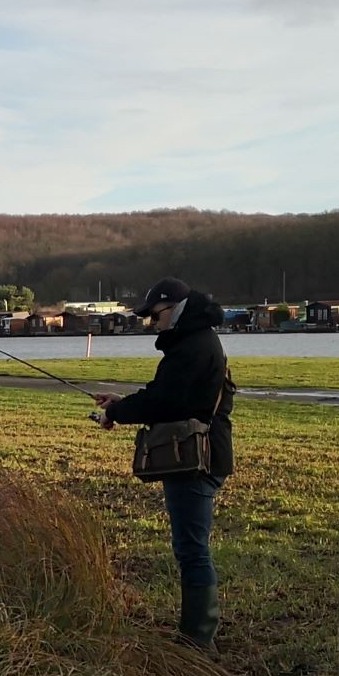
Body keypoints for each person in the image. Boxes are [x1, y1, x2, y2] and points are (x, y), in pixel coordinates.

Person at [94, 278, 234, 648]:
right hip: (204, 456)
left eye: (155, 316)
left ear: (176, 308)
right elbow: (170, 396)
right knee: (191, 547)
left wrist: (118, 413)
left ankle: (197, 641)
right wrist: (122, 404)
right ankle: (196, 635)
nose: (153, 324)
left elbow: (166, 402)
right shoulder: (196, 341)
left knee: (192, 550)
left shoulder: (192, 346)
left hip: (196, 462)